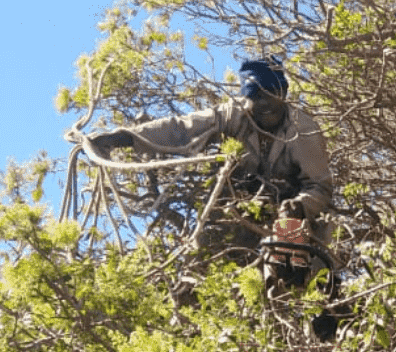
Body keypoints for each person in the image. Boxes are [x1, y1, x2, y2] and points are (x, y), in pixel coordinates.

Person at [88, 58, 333, 287]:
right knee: (207, 256)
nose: (266, 103)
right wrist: (125, 138)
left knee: (291, 266)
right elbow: (181, 128)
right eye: (257, 96)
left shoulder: (303, 130)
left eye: (273, 93)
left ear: (283, 93)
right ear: (245, 98)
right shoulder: (233, 115)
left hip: (292, 213)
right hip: (242, 208)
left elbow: (320, 187)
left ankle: (287, 287)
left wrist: (299, 207)